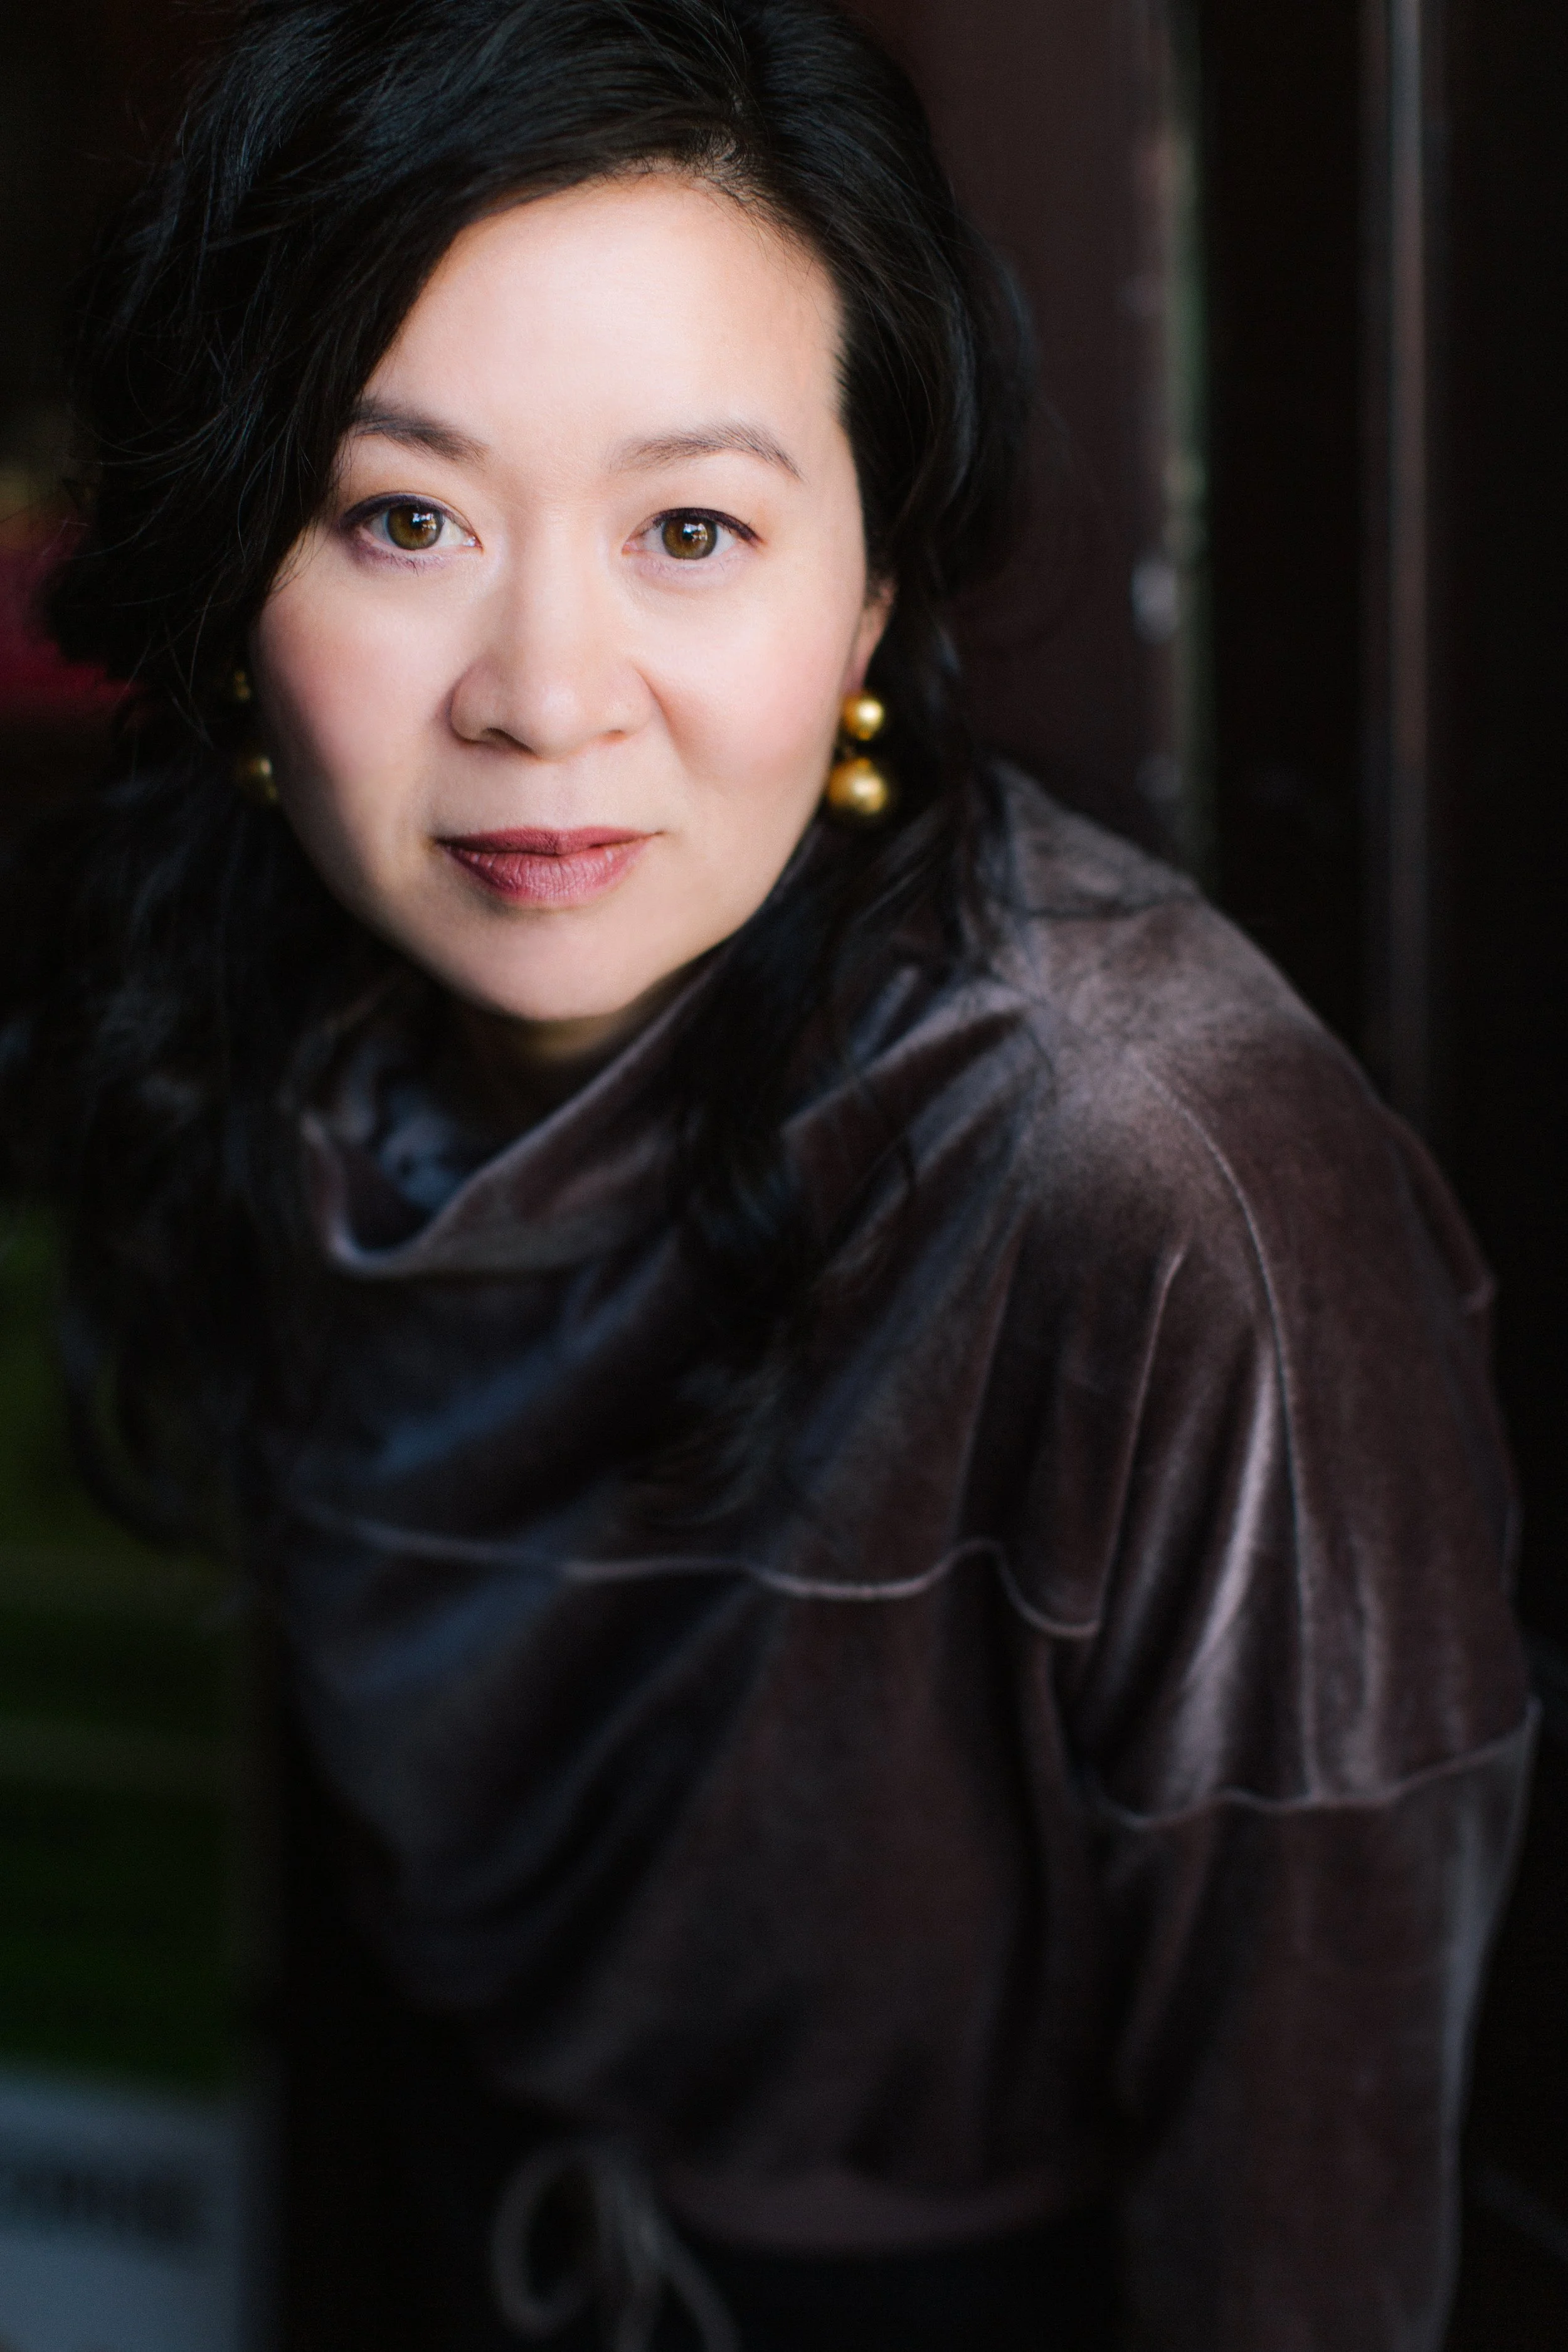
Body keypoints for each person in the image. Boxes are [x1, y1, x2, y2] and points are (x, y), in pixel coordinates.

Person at [0, 1, 1533, 2344]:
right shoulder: (238, 1004)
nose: (540, 688)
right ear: (236, 579)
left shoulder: (1154, 1175)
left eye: (690, 528)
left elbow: (1309, 2222)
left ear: (877, 589)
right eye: (403, 516)